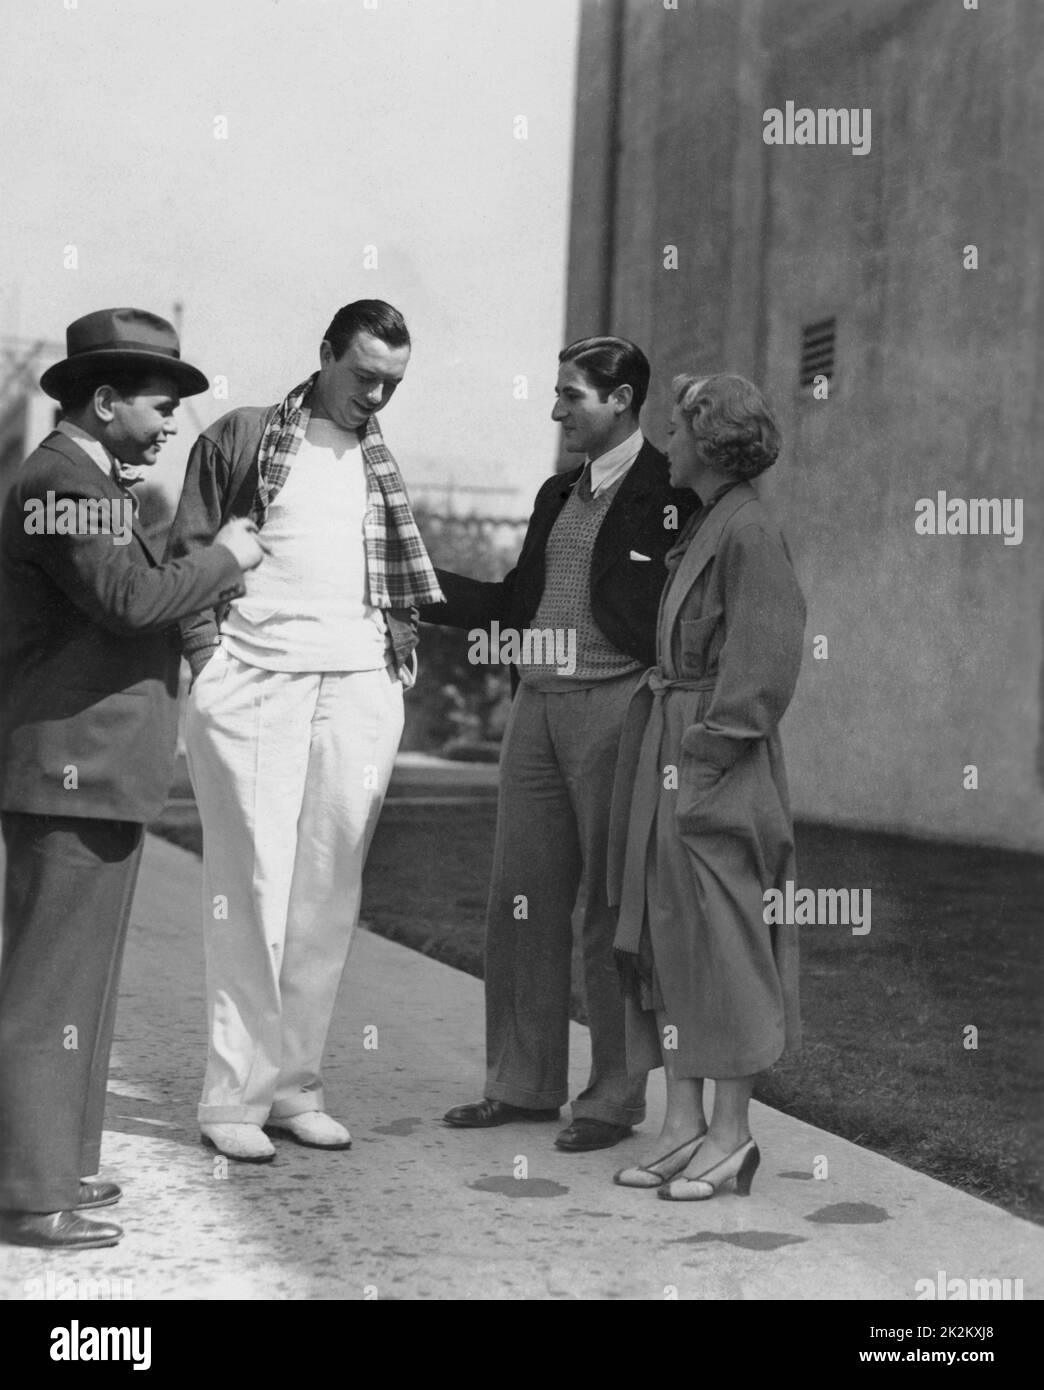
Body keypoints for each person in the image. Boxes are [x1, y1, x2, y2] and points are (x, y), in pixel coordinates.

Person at [0, 308, 265, 1250]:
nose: (168, 427)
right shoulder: (59, 484)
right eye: (160, 407)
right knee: (49, 992)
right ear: (103, 401)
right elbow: (126, 600)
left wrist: (206, 564)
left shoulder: (92, 485)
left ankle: (57, 1165)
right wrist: (227, 556)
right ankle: (28, 1196)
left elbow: (139, 589)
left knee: (86, 990)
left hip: (98, 772)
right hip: (68, 772)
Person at [165, 299, 442, 1163]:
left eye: (392, 384)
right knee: (253, 888)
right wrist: (209, 663)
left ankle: (293, 1089)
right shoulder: (242, 436)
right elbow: (191, 550)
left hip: (359, 683)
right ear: (324, 355)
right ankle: (232, 1100)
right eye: (364, 377)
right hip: (254, 681)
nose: (376, 397)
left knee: (327, 893)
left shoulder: (378, 461)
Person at [421, 337, 698, 1153]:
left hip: (619, 708)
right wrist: (413, 583)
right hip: (536, 710)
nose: (555, 410)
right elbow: (515, 601)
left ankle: (613, 1100)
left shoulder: (671, 493)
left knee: (612, 911)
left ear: (620, 400)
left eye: (570, 396)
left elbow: (689, 607)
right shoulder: (555, 493)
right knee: (520, 900)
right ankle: (521, 1084)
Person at [608, 372, 805, 1199]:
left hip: (712, 761)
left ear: (714, 444)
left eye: (679, 433)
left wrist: (703, 751)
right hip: (675, 743)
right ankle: (682, 1123)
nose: (668, 446)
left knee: (724, 945)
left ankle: (732, 1134)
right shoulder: (708, 523)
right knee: (668, 939)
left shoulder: (748, 531)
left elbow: (763, 665)